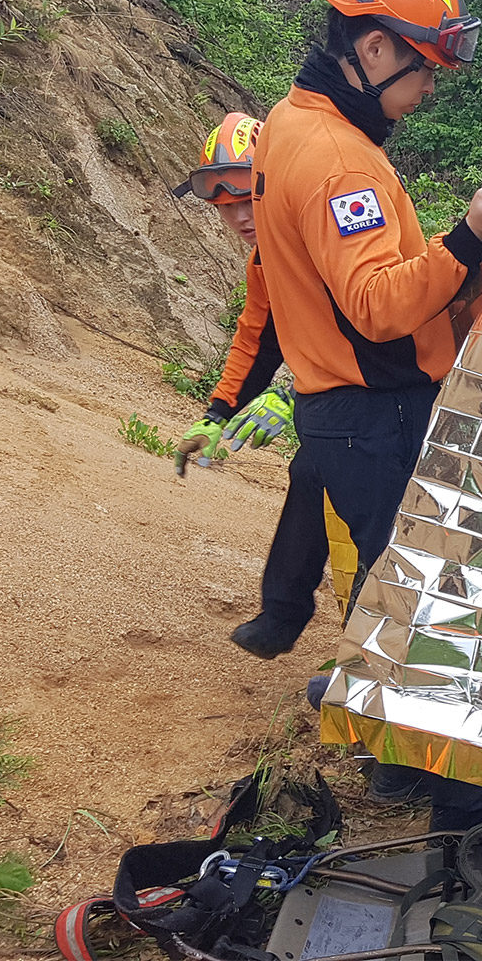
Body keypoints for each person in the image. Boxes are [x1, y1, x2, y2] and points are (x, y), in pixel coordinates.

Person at [233, 0, 482, 664]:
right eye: (423, 70)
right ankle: (406, 774)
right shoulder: (340, 163)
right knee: (411, 594)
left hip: (337, 404)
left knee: (389, 576)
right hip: (376, 407)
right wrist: (468, 237)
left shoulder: (288, 123)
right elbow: (377, 307)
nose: (428, 90)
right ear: (373, 51)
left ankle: (360, 717)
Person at [170, 113, 367, 623]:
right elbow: (257, 339)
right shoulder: (267, 260)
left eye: (246, 200)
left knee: (364, 501)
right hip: (351, 401)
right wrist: (216, 414)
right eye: (225, 207)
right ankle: (287, 617)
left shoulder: (328, 237)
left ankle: (367, 655)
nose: (238, 217)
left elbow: (375, 328)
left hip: (413, 389)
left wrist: (296, 396)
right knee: (314, 473)